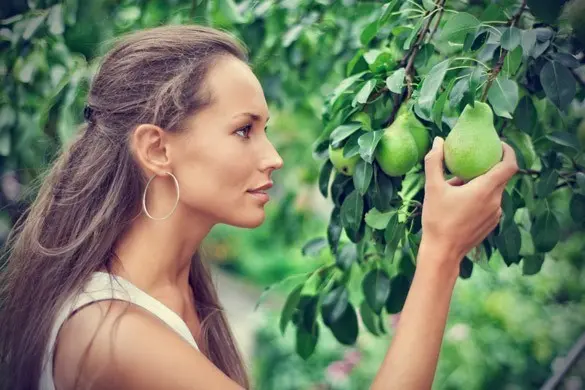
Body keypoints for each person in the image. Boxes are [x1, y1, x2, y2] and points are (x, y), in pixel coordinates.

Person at [0, 25, 518, 390]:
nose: (272, 157)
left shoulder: (176, 293)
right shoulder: (112, 337)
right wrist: (441, 252)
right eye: (244, 130)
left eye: (264, 130)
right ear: (157, 149)